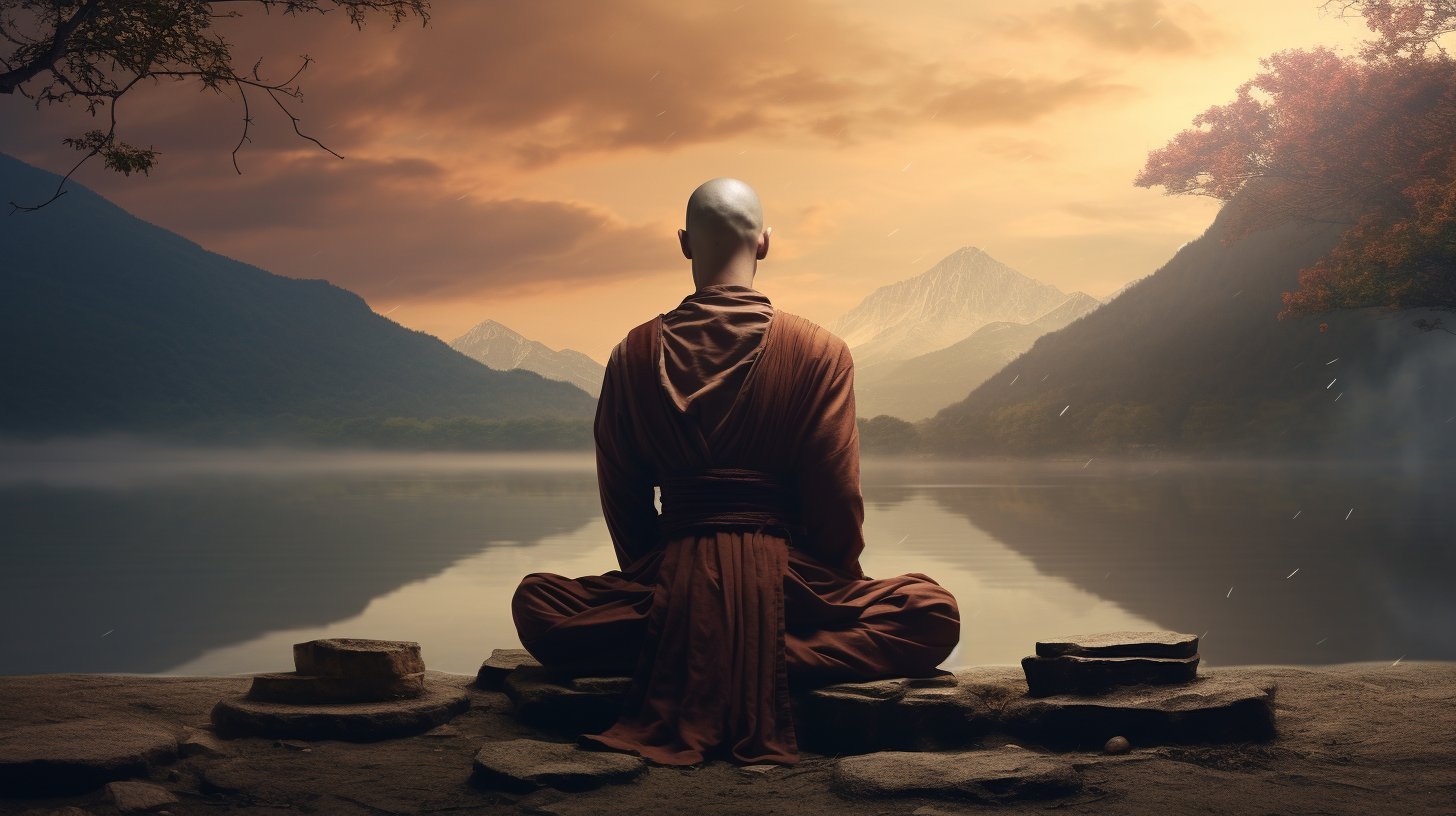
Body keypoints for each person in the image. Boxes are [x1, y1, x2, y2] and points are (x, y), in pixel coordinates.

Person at [511, 178, 960, 765]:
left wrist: (662, 581)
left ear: (683, 243)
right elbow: (835, 496)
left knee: (539, 605)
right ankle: (760, 653)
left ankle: (693, 650)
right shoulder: (821, 351)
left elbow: (622, 499)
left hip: (672, 581)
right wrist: (832, 586)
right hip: (789, 584)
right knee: (931, 614)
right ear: (766, 243)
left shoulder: (631, 354)